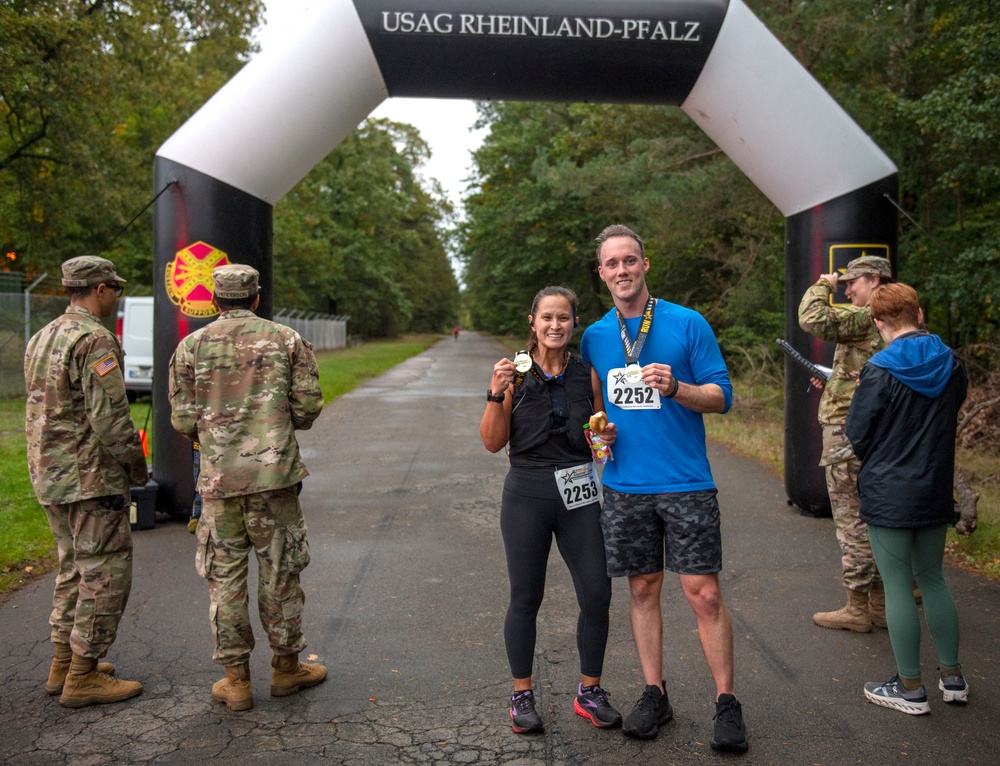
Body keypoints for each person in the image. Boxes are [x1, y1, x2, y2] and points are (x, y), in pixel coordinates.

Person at [580, 225, 747, 753]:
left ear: (645, 265)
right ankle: (655, 694)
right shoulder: (595, 337)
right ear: (601, 273)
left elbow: (722, 397)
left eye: (630, 260)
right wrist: (599, 437)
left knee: (703, 594)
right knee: (642, 589)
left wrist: (677, 387)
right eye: (612, 264)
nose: (622, 270)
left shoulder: (687, 323)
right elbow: (596, 418)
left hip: (686, 483)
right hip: (626, 486)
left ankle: (727, 702)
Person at [168, 264, 326, 712]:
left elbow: (182, 420)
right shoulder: (287, 339)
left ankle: (236, 681)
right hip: (273, 480)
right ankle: (286, 668)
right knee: (281, 572)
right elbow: (308, 407)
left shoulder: (190, 347)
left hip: (219, 484)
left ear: (216, 301)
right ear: (257, 298)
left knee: (225, 581)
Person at [480, 285, 621, 734]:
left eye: (564, 318)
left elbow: (598, 440)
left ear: (574, 323)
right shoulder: (514, 374)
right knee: (526, 597)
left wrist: (605, 439)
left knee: (597, 594)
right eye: (547, 318)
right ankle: (522, 695)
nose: (555, 325)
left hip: (579, 488)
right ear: (533, 322)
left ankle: (589, 691)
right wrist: (494, 393)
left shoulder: (587, 374)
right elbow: (491, 442)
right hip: (527, 492)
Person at [24, 255, 149, 708]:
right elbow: (111, 418)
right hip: (90, 478)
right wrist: (137, 468)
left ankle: (64, 663)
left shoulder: (42, 336)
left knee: (72, 568)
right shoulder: (94, 339)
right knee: (105, 573)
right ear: (98, 289)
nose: (115, 296)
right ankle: (82, 677)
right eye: (113, 288)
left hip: (50, 474)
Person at [845, 283, 969, 715]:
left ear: (878, 322)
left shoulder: (879, 369)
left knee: (897, 585)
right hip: (935, 486)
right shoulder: (952, 362)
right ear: (918, 312)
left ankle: (910, 688)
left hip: (889, 492)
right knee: (932, 578)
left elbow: (857, 433)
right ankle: (953, 678)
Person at [798, 255, 891, 632]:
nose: (847, 289)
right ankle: (882, 603)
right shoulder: (897, 319)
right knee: (876, 515)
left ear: (874, 280)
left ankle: (857, 607)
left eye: (853, 282)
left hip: (847, 428)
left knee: (853, 519)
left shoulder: (869, 314)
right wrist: (837, 377)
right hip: (875, 427)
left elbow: (811, 317)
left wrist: (825, 282)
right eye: (844, 282)